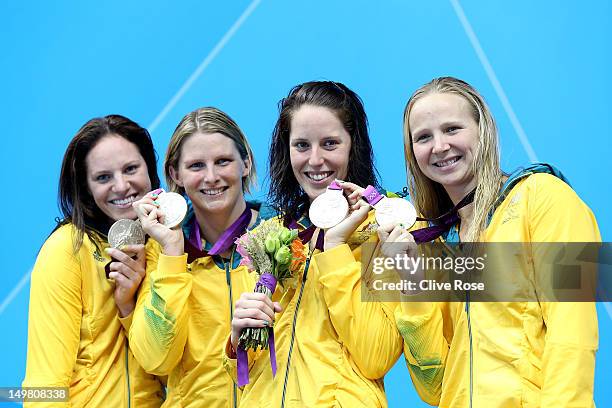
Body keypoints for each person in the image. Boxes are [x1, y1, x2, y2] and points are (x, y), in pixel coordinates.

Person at [320, 77, 600, 407]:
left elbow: (574, 335)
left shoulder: (547, 197)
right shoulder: (431, 240)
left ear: (483, 129)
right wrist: (413, 283)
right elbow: (434, 387)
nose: (439, 146)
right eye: (423, 137)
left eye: (452, 129)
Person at [225, 81, 403, 407]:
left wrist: (334, 248)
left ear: (354, 146)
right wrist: (237, 338)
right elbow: (242, 379)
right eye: (302, 145)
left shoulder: (385, 232)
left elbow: (377, 356)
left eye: (330, 143)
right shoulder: (270, 236)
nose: (315, 160)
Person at [129, 107, 276, 408]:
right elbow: (155, 359)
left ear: (245, 163)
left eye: (222, 161)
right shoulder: (161, 250)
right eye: (196, 165)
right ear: (175, 174)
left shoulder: (282, 239)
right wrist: (172, 253)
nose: (211, 177)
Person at [23, 115, 165, 407]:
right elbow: (44, 384)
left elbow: (167, 366)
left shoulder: (164, 243)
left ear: (149, 169)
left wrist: (131, 305)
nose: (122, 186)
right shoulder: (66, 250)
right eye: (103, 177)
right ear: (85, 187)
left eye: (131, 169)